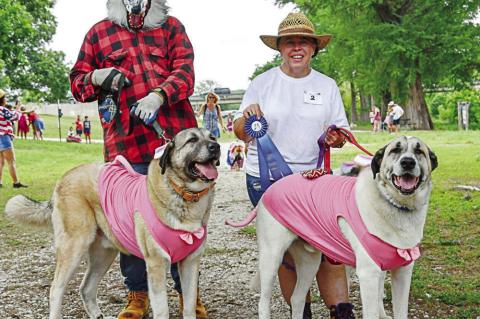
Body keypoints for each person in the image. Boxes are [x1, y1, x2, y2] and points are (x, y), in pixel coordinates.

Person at [69, 1, 206, 318]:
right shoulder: (98, 33)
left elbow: (185, 73)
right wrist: (96, 78)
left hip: (173, 145)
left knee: (184, 220)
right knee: (130, 222)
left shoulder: (171, 27)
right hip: (126, 148)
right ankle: (138, 295)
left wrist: (159, 94)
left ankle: (189, 296)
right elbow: (77, 84)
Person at [233, 12, 355, 319]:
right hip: (267, 179)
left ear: (314, 48)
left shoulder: (327, 85)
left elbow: (340, 133)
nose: (296, 47)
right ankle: (301, 313)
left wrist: (335, 136)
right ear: (280, 48)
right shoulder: (261, 83)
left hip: (314, 180)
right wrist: (247, 119)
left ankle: (342, 312)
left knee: (329, 248)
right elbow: (238, 130)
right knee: (287, 251)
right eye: (289, 42)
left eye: (303, 42)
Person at [0, 89, 28, 188]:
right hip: (4, 137)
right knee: (11, 161)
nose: (6, 99)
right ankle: (16, 183)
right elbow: (14, 117)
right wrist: (17, 109)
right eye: (5, 98)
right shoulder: (2, 109)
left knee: (1, 161)